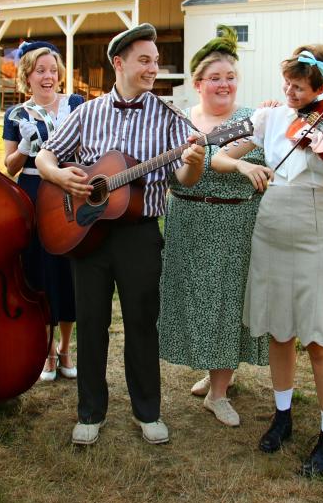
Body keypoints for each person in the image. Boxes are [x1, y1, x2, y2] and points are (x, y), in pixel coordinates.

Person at [35, 23, 205, 446]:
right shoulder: (87, 112)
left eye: (155, 61)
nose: (154, 68)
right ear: (119, 63)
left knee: (142, 325)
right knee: (91, 323)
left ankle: (147, 411)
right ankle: (90, 412)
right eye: (144, 60)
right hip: (87, 233)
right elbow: (45, 154)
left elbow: (184, 179)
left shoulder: (169, 119)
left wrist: (197, 159)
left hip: (139, 236)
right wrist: (60, 176)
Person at [212, 44, 323, 476]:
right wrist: (243, 168)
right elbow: (218, 153)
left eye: (299, 87)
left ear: (321, 86)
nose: (290, 93)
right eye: (287, 85)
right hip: (272, 222)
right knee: (278, 329)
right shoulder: (267, 116)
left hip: (318, 226)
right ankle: (283, 415)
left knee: (318, 337)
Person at [157, 27, 268, 428]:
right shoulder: (178, 121)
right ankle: (212, 371)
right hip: (187, 219)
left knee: (226, 302)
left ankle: (220, 392)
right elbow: (168, 174)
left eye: (231, 77)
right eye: (216, 78)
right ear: (198, 83)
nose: (224, 84)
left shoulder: (253, 120)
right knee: (197, 299)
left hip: (233, 220)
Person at [3, 41, 83, 382]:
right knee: (41, 270)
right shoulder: (16, 115)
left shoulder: (76, 105)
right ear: (28, 76)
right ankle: (46, 352)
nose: (48, 76)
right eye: (40, 71)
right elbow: (9, 167)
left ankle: (66, 349)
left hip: (69, 190)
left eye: (53, 70)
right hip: (34, 192)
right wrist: (24, 147)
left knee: (69, 270)